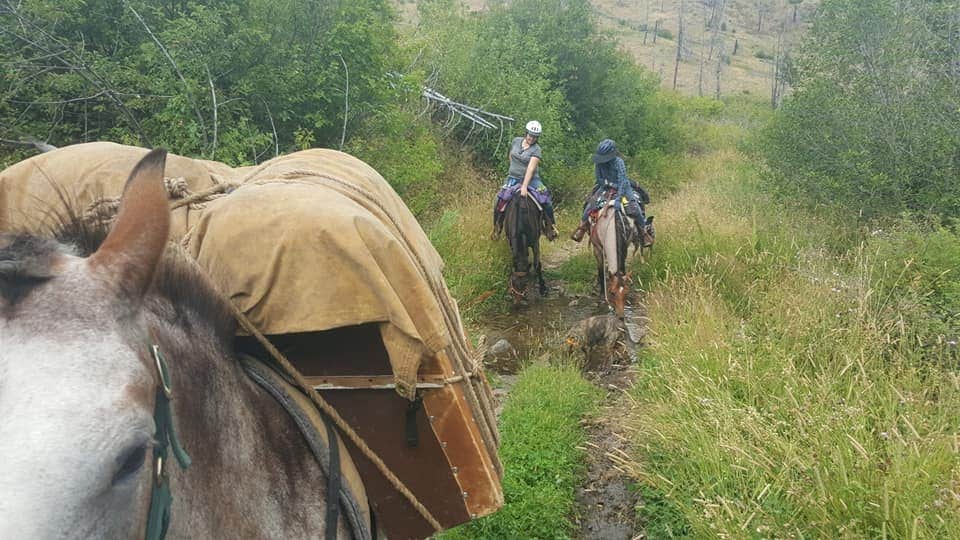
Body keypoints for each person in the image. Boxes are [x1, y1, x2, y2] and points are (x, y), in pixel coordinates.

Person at [570, 138, 652, 246]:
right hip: (605, 187)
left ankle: (643, 232)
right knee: (589, 206)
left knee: (635, 206)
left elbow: (623, 180)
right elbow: (599, 178)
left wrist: (619, 198)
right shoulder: (598, 163)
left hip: (624, 188)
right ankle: (582, 227)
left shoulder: (619, 162)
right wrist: (609, 184)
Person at [492, 120, 558, 240]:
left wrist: (524, 186)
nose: (531, 138)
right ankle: (497, 228)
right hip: (512, 178)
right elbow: (510, 156)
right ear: (526, 133)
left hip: (532, 180)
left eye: (535, 137)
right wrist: (513, 170)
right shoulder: (516, 141)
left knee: (546, 200)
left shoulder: (536, 149)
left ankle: (550, 227)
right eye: (530, 135)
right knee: (498, 199)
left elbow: (531, 168)